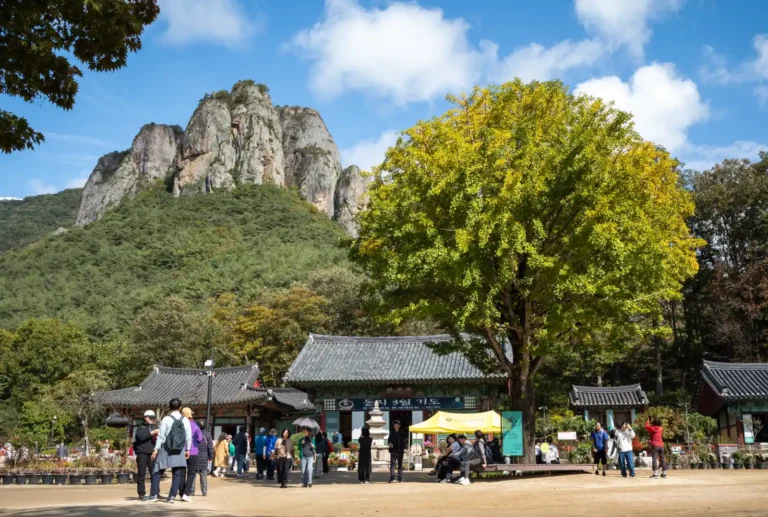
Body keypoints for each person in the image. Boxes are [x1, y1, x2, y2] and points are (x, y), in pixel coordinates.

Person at [150, 398, 192, 503]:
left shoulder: (166, 419)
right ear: (180, 407)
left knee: (157, 471)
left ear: (169, 407)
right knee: (177, 473)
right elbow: (188, 437)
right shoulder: (185, 420)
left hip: (166, 448)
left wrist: (156, 449)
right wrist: (188, 449)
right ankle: (172, 497)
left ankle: (154, 494)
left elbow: (161, 436)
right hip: (179, 449)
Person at [134, 409, 159, 500]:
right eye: (150, 418)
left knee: (154, 473)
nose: (152, 419)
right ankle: (141, 493)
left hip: (152, 452)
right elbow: (140, 437)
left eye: (153, 418)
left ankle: (155, 491)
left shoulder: (155, 426)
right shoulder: (141, 427)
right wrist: (152, 433)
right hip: (142, 452)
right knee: (141, 473)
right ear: (145, 418)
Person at [179, 408, 203, 499]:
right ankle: (186, 493)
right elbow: (200, 439)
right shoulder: (195, 425)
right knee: (191, 473)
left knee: (181, 472)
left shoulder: (179, 425)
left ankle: (181, 492)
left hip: (181, 451)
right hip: (193, 452)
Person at [195, 420, 213, 496]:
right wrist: (210, 456)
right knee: (203, 475)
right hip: (204, 457)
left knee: (193, 474)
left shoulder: (195, 434)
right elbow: (210, 447)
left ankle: (191, 490)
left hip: (195, 456)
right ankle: (204, 491)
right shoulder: (208, 435)